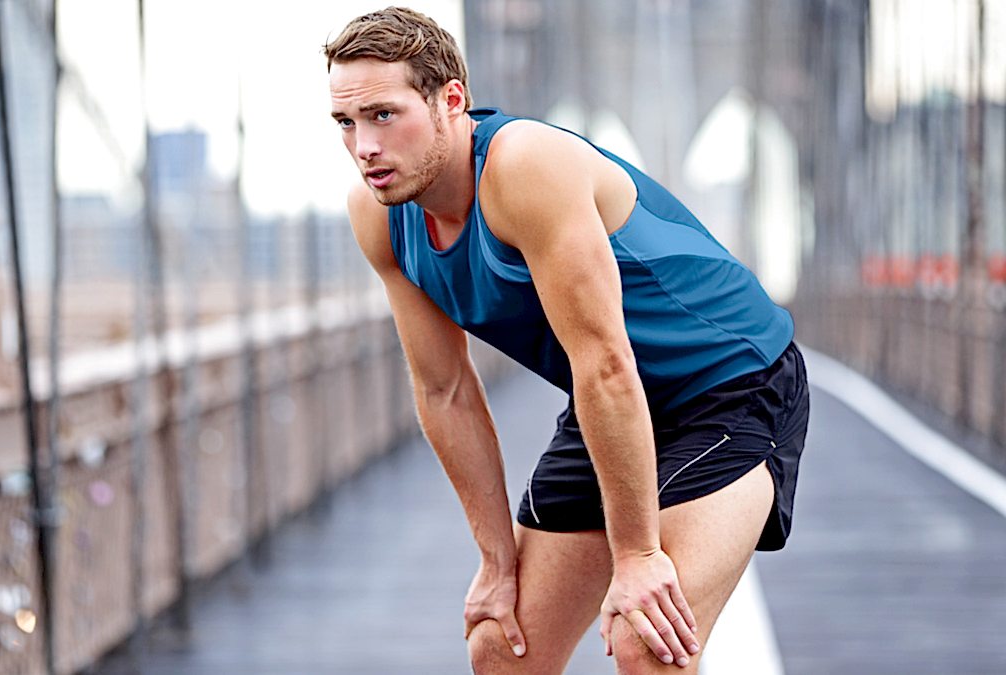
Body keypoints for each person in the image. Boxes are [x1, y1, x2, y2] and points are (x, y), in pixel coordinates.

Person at [323, 7, 809, 674]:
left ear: (451, 100)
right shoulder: (379, 216)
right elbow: (445, 389)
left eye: (384, 114)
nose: (364, 146)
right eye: (346, 122)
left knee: (648, 639)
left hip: (731, 383)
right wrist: (496, 561)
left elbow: (605, 363)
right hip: (612, 398)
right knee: (501, 645)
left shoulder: (525, 166)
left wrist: (636, 556)